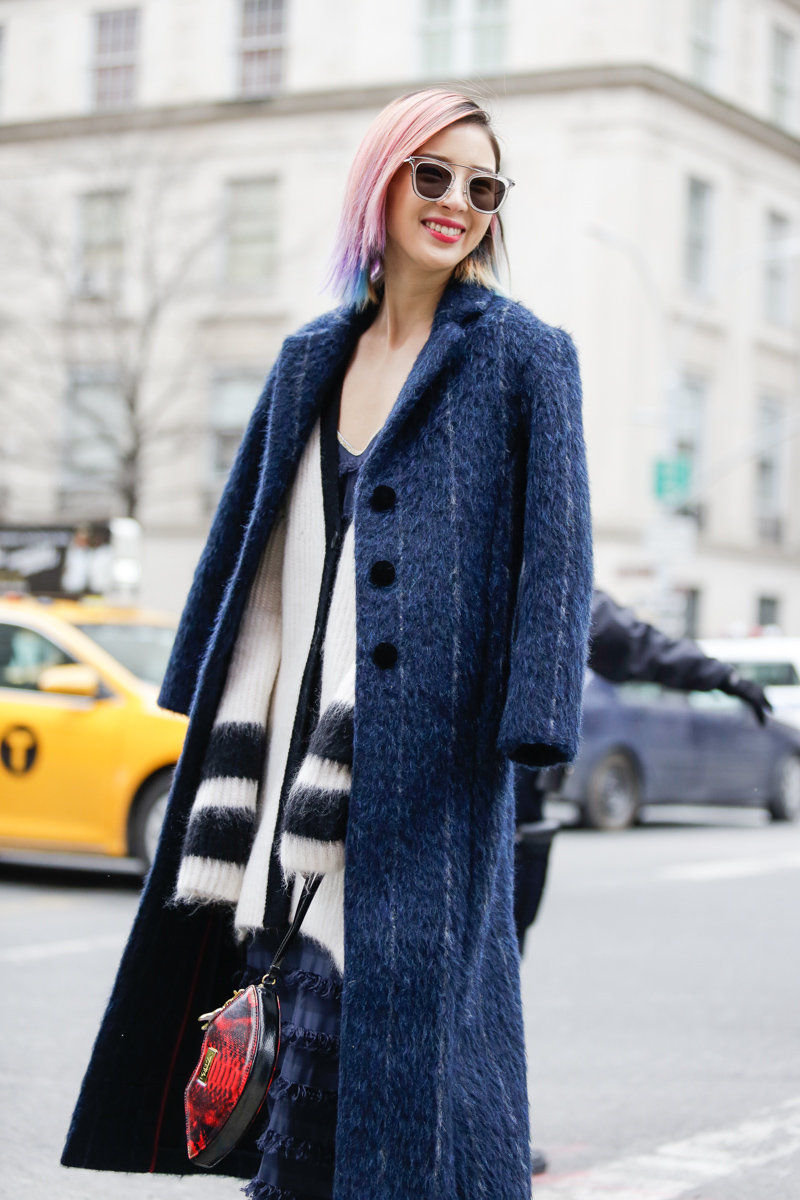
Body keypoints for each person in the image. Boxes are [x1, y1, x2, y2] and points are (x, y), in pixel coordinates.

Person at [62, 88, 593, 1200]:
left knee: (400, 1070)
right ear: (380, 182)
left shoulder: (523, 356)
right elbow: (245, 537)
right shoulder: (310, 355)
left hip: (426, 768)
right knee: (291, 1049)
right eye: (431, 173)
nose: (456, 201)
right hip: (280, 766)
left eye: (482, 186)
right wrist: (198, 679)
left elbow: (557, 553)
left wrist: (536, 717)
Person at [514, 588, 772, 955]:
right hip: (502, 798)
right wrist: (724, 678)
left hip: (485, 794)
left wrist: (721, 677)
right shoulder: (530, 567)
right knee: (496, 940)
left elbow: (624, 639)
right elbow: (626, 640)